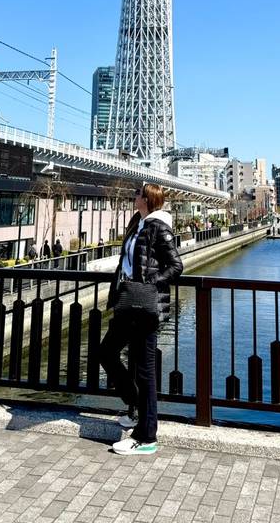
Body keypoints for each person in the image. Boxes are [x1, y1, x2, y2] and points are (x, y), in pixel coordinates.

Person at [99, 183, 183, 456]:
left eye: (137, 194)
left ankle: (146, 437)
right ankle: (134, 405)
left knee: (145, 371)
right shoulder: (139, 223)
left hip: (146, 307)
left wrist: (148, 282)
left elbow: (176, 266)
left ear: (147, 200)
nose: (133, 197)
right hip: (127, 304)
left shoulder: (159, 227)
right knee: (107, 352)